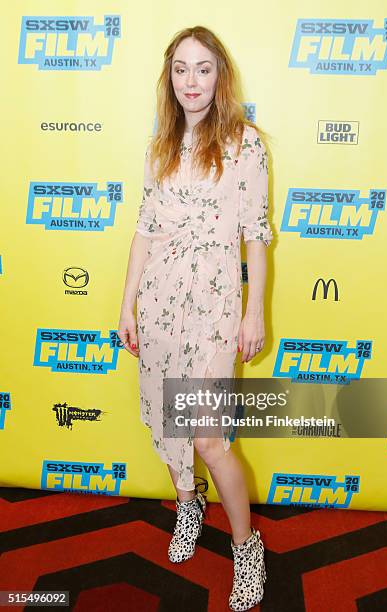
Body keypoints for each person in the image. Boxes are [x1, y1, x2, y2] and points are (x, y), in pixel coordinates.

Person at [118, 25, 273, 611]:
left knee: (208, 434)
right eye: (181, 68)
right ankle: (188, 500)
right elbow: (144, 231)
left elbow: (255, 236)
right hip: (159, 299)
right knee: (165, 414)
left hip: (213, 303)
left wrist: (253, 309)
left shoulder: (245, 143)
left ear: (220, 75)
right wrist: (126, 302)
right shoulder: (160, 143)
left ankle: (246, 546)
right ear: (170, 77)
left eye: (203, 68)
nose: (191, 80)